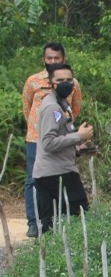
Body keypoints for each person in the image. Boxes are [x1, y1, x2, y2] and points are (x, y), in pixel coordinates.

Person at [22, 42, 83, 238]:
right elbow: (27, 106)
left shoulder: (72, 83)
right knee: (34, 179)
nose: (52, 61)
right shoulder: (33, 81)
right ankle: (34, 222)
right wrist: (37, 126)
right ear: (44, 59)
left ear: (63, 59)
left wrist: (66, 129)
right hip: (35, 137)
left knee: (57, 179)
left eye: (56, 58)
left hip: (61, 138)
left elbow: (74, 109)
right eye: (49, 58)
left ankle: (57, 222)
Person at [32, 63, 94, 234]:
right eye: (60, 80)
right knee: (77, 219)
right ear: (51, 83)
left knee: (52, 225)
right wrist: (79, 136)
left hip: (54, 172)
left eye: (69, 79)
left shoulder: (61, 104)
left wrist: (77, 147)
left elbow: (59, 136)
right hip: (56, 174)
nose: (66, 83)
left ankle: (49, 258)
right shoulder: (52, 107)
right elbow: (49, 143)